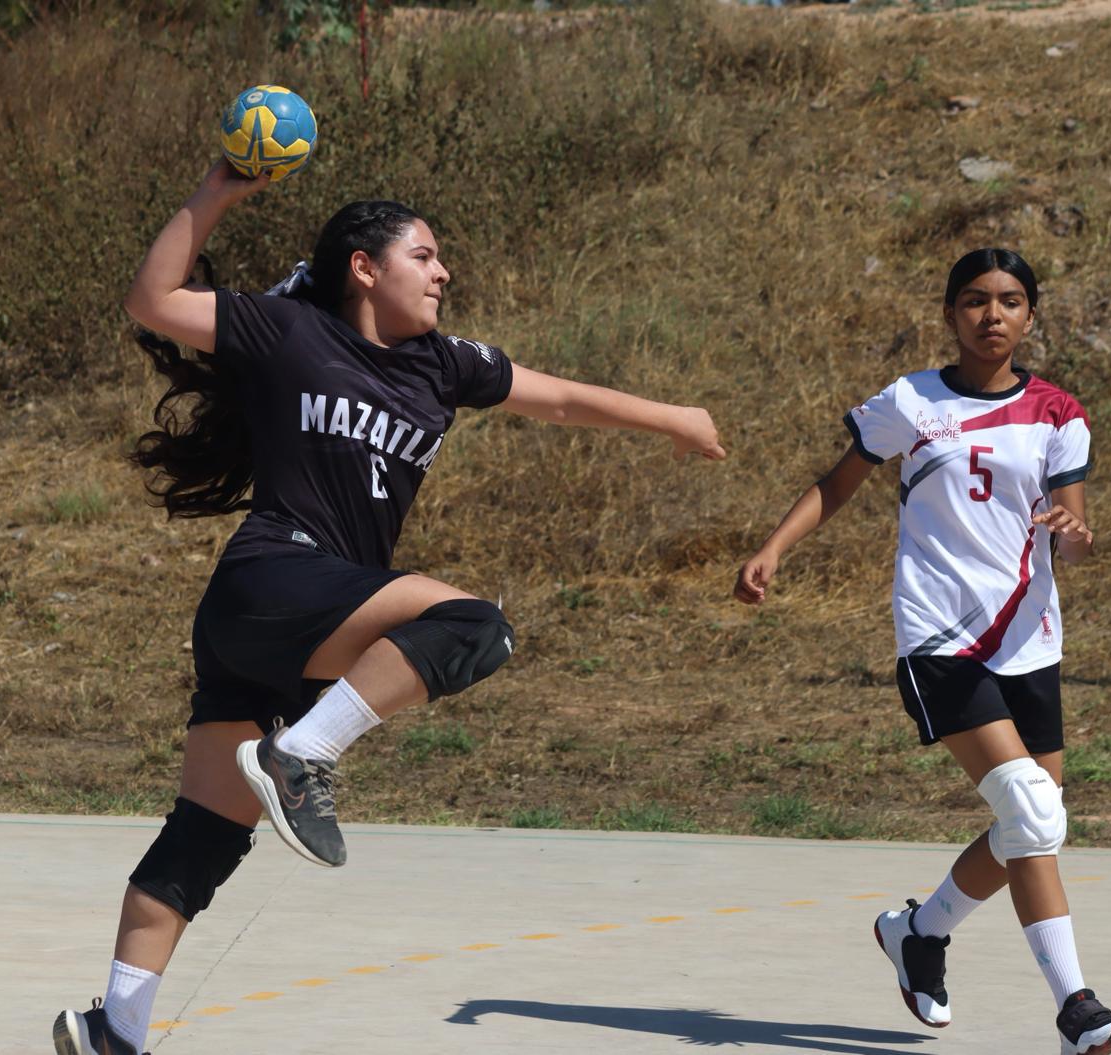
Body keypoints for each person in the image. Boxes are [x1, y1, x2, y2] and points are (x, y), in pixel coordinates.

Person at [51, 159, 726, 1055]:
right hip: (275, 575)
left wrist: (673, 416)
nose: (444, 271)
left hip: (287, 627)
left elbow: (559, 398)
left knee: (205, 839)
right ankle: (301, 754)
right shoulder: (287, 330)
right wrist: (218, 191)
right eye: (426, 254)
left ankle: (114, 1028)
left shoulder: (444, 367)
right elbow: (152, 298)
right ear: (365, 267)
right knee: (472, 623)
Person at [732, 248, 1111, 1055]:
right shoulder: (911, 402)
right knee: (1029, 810)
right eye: (977, 301)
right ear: (951, 313)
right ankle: (1076, 1008)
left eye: (1012, 301)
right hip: (940, 637)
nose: (994, 315)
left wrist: (1078, 533)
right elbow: (838, 480)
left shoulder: (1059, 410)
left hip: (1029, 638)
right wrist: (774, 546)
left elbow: (1076, 532)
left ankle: (919, 931)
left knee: (1036, 821)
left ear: (1031, 315)